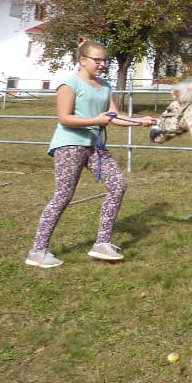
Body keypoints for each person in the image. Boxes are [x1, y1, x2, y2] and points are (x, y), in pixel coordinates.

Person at [26, 39, 155, 268]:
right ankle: (38, 251)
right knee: (63, 196)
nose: (102, 64)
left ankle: (102, 244)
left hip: (95, 146)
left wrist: (139, 121)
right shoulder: (70, 83)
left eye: (105, 60)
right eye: (97, 60)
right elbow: (64, 117)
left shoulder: (104, 85)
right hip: (69, 145)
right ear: (83, 60)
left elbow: (114, 116)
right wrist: (96, 120)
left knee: (118, 185)